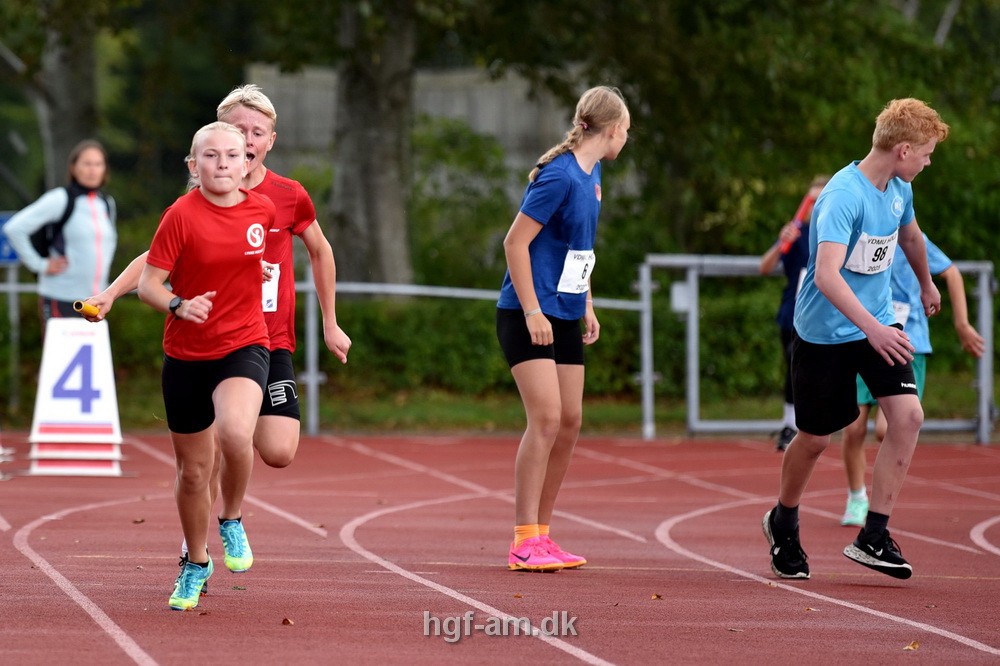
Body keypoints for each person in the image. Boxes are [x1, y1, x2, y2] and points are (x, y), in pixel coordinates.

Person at [84, 85, 351, 573]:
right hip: (203, 342)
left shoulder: (285, 198)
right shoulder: (194, 200)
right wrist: (110, 293)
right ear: (211, 145)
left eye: (255, 133)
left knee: (275, 449)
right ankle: (197, 553)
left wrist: (331, 323)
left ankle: (230, 509)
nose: (246, 142)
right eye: (237, 131)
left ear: (270, 140)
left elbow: (320, 250)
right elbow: (157, 260)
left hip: (266, 337)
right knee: (202, 461)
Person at [761, 98, 948, 581]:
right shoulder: (843, 196)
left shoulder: (897, 187)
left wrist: (927, 282)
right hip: (826, 333)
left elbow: (910, 238)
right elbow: (825, 275)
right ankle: (783, 520)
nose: (929, 162)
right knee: (815, 438)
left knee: (908, 417)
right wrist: (872, 328)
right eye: (926, 153)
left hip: (877, 324)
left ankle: (873, 535)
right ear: (903, 149)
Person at [139, 121, 275, 610]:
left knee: (237, 434)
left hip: (244, 342)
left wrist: (250, 269)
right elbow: (150, 284)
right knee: (193, 473)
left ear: (247, 163)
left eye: (233, 156)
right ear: (194, 167)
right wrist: (178, 304)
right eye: (211, 157)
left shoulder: (262, 208)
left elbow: (254, 258)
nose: (223, 165)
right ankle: (195, 562)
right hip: (186, 353)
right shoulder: (179, 215)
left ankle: (232, 518)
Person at [496, 86, 630, 572]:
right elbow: (515, 245)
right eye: (627, 131)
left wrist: (588, 302)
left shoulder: (593, 177)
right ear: (613, 129)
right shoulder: (558, 176)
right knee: (547, 419)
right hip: (527, 312)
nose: (626, 140)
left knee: (570, 421)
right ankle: (522, 538)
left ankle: (544, 535)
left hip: (568, 312)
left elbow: (580, 250)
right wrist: (533, 311)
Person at [838, 233, 984, 526]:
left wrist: (962, 323)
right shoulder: (856, 231)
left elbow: (951, 273)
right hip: (865, 337)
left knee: (887, 428)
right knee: (853, 427)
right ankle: (856, 498)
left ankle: (883, 499)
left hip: (909, 340)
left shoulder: (909, 234)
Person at [3, 139, 116, 331]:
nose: (92, 169)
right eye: (86, 163)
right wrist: (39, 265)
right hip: (61, 297)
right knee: (57, 360)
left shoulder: (107, 203)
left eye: (98, 164)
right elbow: (14, 228)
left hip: (96, 302)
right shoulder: (60, 199)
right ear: (73, 167)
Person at [759, 175, 829, 451]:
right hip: (794, 311)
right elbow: (764, 268)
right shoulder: (796, 233)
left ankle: (817, 423)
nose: (813, 206)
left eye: (819, 199)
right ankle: (791, 423)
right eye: (810, 200)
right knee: (793, 362)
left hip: (828, 312)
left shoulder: (840, 230)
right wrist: (780, 242)